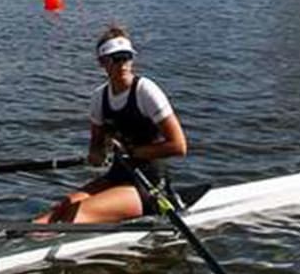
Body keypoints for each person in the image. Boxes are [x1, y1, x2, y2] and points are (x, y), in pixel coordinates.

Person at [37, 25, 189, 224]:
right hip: (118, 175)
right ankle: (17, 239)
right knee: (58, 209)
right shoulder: (99, 97)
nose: (123, 64)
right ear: (102, 63)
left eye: (127, 57)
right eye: (116, 58)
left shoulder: (146, 91)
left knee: (77, 213)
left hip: (149, 183)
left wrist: (132, 152)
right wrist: (97, 154)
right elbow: (96, 146)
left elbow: (179, 146)